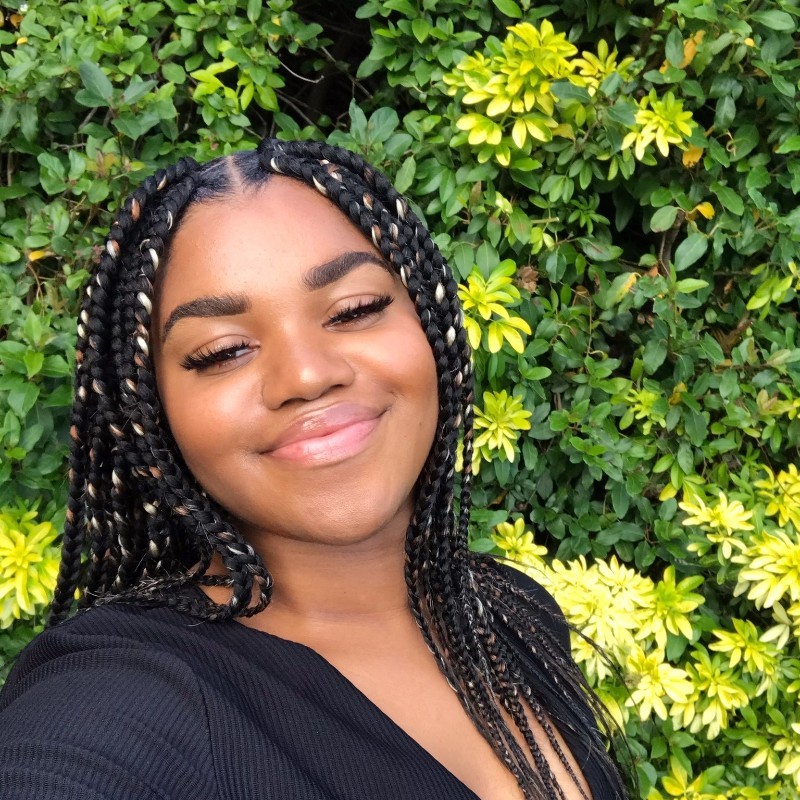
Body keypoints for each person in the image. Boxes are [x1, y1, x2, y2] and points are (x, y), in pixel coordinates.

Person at [0, 140, 629, 800]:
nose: (306, 374)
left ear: (429, 322)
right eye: (221, 352)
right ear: (153, 412)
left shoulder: (507, 613)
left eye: (354, 311)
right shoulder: (137, 692)